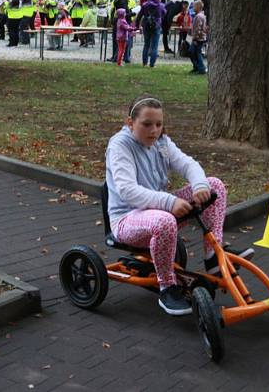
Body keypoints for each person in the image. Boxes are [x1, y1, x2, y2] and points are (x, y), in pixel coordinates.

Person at [105, 95, 254, 315]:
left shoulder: (161, 142)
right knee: (164, 221)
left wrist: (199, 185)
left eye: (158, 124)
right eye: (146, 124)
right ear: (130, 123)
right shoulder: (120, 145)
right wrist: (169, 201)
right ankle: (168, 287)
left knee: (215, 187)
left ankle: (213, 256)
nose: (154, 130)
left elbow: (187, 164)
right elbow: (127, 190)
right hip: (126, 219)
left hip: (158, 211)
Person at [135, 0, 166, 68]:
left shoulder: (145, 5)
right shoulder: (161, 5)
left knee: (146, 45)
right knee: (154, 46)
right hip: (156, 26)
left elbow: (139, 16)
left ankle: (144, 63)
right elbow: (164, 13)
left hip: (146, 26)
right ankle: (152, 64)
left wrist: (137, 26)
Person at [190, 0, 208, 74]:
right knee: (194, 52)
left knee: (196, 53)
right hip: (200, 37)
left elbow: (198, 28)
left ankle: (201, 68)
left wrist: (195, 38)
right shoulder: (201, 15)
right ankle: (197, 67)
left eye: (194, 6)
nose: (193, 7)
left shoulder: (198, 16)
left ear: (197, 7)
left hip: (198, 38)